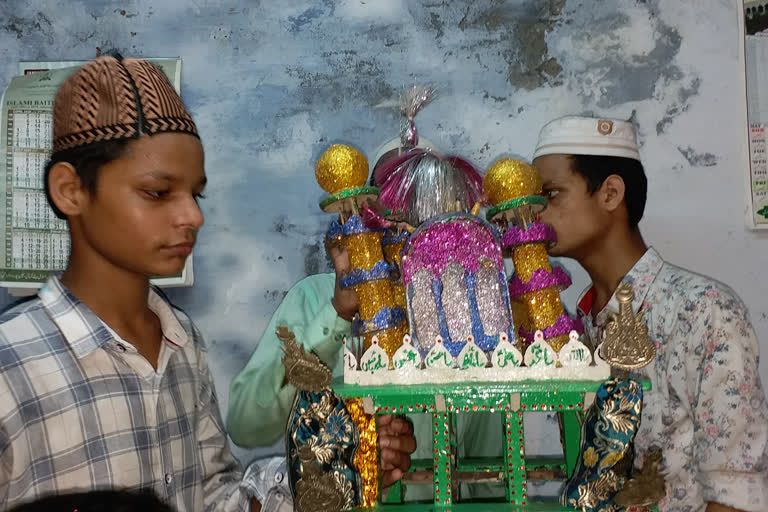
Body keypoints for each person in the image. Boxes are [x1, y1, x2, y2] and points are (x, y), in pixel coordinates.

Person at [532, 115, 768, 512]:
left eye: (551, 194)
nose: (536, 214)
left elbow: (736, 493)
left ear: (610, 193)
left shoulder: (703, 311)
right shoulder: (575, 332)